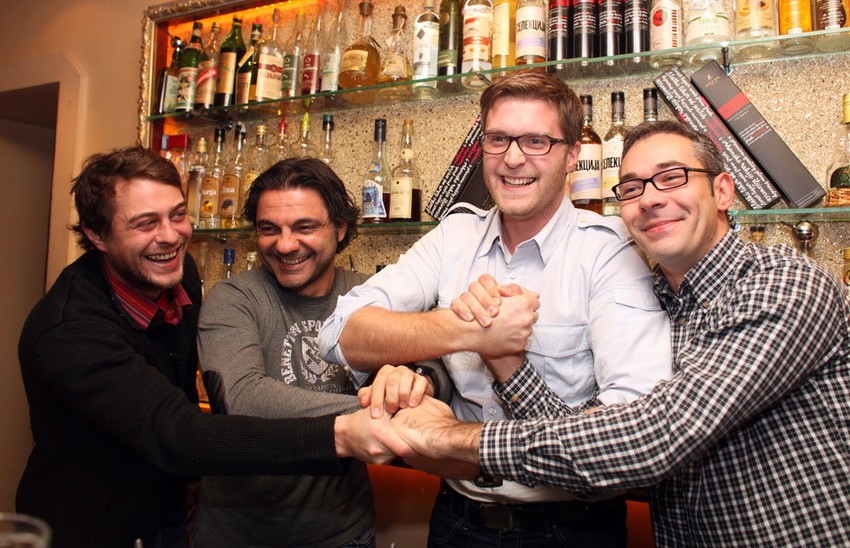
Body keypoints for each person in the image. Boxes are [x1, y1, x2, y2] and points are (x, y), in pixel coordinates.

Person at [390, 120, 850, 546]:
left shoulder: (786, 284)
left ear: (723, 191)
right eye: (632, 188)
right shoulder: (658, 301)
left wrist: (455, 438)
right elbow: (594, 440)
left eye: (672, 177)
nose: (650, 199)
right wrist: (502, 356)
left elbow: (656, 434)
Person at [320, 69, 673, 546]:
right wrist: (464, 331)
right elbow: (339, 331)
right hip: (457, 519)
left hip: (570, 528)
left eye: (536, 141)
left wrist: (467, 418)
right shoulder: (455, 235)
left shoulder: (608, 251)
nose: (513, 158)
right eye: (498, 139)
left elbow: (630, 426)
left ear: (573, 155)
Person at [15, 146, 409, 548]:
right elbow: (178, 431)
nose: (170, 236)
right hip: (91, 526)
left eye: (177, 215)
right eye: (145, 223)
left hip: (169, 514)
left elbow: (180, 392)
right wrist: (350, 429)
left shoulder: (177, 273)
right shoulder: (69, 331)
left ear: (340, 228)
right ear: (97, 234)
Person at [193, 158, 449, 548]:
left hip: (344, 533)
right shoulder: (234, 298)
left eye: (304, 227)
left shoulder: (369, 296)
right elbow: (243, 397)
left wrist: (420, 381)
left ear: (340, 228)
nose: (285, 245)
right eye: (269, 229)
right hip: (241, 534)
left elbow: (434, 360)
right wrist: (374, 414)